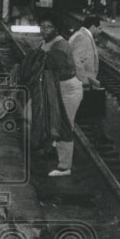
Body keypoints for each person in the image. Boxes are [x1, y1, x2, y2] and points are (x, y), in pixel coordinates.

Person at [39, 16, 82, 177]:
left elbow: (59, 68)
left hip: (68, 89)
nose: (44, 30)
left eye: (48, 27)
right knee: (55, 121)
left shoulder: (60, 45)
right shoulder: (46, 42)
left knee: (65, 125)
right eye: (42, 26)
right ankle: (56, 147)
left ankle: (65, 167)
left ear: (55, 29)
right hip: (57, 88)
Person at [68, 14, 104, 135]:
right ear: (93, 26)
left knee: (92, 111)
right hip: (82, 82)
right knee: (91, 110)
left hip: (82, 80)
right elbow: (76, 60)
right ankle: (95, 135)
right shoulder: (83, 37)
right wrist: (84, 81)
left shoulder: (81, 35)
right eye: (100, 28)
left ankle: (97, 134)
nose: (101, 31)